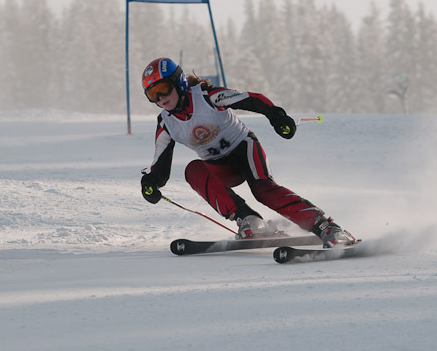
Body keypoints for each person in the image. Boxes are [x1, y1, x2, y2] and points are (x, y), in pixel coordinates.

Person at [140, 57, 355, 248]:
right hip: (220, 167)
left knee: (263, 189)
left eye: (163, 89)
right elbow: (160, 165)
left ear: (179, 82)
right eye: (152, 94)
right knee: (193, 170)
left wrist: (276, 117)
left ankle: (327, 227)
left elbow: (251, 98)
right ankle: (249, 220)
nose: (160, 98)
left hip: (244, 149)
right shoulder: (166, 123)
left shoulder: (206, 96)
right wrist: (151, 183)